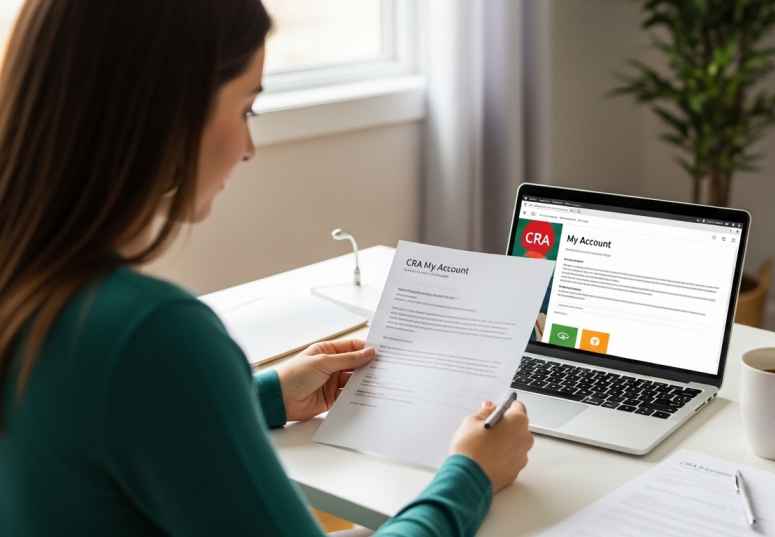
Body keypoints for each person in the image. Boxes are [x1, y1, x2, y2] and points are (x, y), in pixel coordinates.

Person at [0, 1, 534, 535]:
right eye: (246, 110)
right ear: (168, 111)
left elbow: (112, 426)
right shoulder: (152, 334)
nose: (248, 148)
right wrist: (471, 475)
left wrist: (266, 394)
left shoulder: (30, 285)